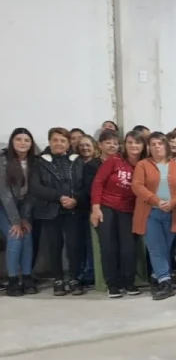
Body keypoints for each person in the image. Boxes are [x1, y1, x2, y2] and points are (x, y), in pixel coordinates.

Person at [132, 132, 176, 300]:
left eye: (160, 143)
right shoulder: (143, 165)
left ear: (166, 146)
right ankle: (166, 283)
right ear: (149, 147)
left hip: (172, 213)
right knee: (156, 248)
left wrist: (172, 203)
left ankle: (156, 278)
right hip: (150, 212)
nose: (157, 146)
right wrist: (156, 201)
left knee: (165, 249)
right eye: (153, 144)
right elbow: (137, 186)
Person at [30, 127, 89, 296]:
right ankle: (58, 279)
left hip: (73, 210)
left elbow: (85, 185)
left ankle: (74, 278)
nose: (59, 144)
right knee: (54, 246)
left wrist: (75, 199)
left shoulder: (77, 160)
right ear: (49, 142)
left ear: (69, 143)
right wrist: (59, 197)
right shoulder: (39, 161)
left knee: (74, 246)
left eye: (63, 140)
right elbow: (36, 187)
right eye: (55, 140)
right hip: (50, 210)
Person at [91, 130, 146, 297]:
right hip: (107, 207)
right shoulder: (114, 160)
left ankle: (128, 282)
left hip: (129, 210)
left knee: (128, 248)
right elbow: (98, 182)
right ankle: (112, 284)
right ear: (125, 145)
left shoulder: (144, 164)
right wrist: (95, 207)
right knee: (108, 247)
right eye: (129, 142)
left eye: (137, 142)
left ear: (143, 146)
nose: (133, 146)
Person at [0, 128, 38, 296]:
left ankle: (28, 277)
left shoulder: (34, 162)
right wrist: (16, 221)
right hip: (4, 206)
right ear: (12, 142)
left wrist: (24, 218)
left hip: (24, 206)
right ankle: (13, 280)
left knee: (27, 235)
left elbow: (32, 193)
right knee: (15, 237)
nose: (23, 143)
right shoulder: (3, 161)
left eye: (26, 140)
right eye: (19, 139)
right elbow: (5, 194)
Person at [75, 134, 102, 287]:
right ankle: (84, 271)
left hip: (91, 206)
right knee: (81, 243)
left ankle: (91, 271)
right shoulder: (75, 163)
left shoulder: (97, 164)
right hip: (78, 208)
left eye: (88, 145)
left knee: (92, 242)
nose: (85, 148)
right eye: (82, 145)